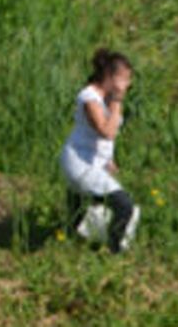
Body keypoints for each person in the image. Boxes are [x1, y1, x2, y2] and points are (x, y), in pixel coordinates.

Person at [59, 48, 140, 253]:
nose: (127, 85)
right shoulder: (89, 98)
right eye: (125, 79)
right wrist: (117, 101)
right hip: (80, 163)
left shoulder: (104, 97)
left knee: (89, 205)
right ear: (111, 77)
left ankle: (71, 240)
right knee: (124, 205)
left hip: (92, 162)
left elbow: (103, 138)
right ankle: (114, 249)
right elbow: (106, 131)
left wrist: (108, 159)